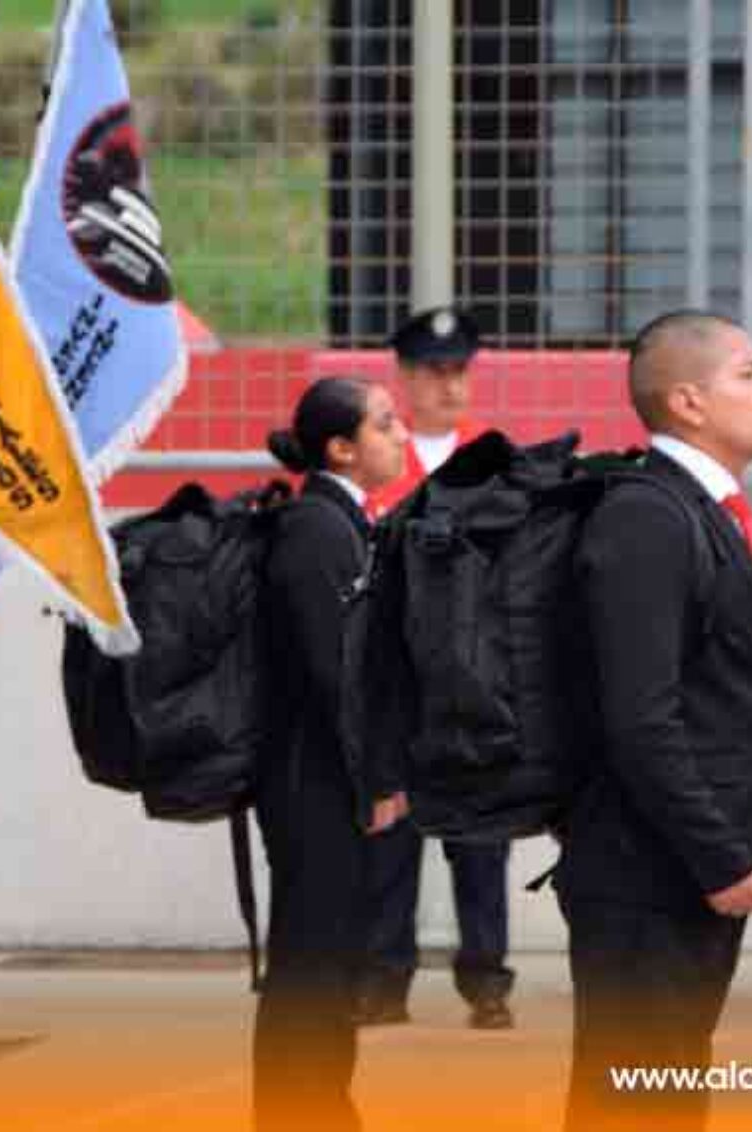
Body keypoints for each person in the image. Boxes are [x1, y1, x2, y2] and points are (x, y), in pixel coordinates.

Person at [557, 310, 752, 1132]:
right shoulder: (648, 517)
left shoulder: (709, 510)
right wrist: (721, 854)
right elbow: (641, 718)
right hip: (645, 871)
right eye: (750, 374)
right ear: (688, 402)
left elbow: (724, 699)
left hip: (686, 870)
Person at [253, 376, 410, 1132]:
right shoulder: (318, 529)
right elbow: (335, 672)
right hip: (310, 782)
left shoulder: (341, 521)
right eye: (384, 424)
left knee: (326, 961)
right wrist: (376, 776)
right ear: (341, 449)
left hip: (323, 776)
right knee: (312, 968)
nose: (401, 433)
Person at [355, 306, 516, 1030]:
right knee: (388, 835)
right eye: (436, 373)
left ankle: (486, 979)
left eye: (461, 372)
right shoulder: (375, 459)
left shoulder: (493, 457)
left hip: (476, 678)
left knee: (480, 839)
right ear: (406, 376)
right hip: (399, 678)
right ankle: (385, 977)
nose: (452, 387)